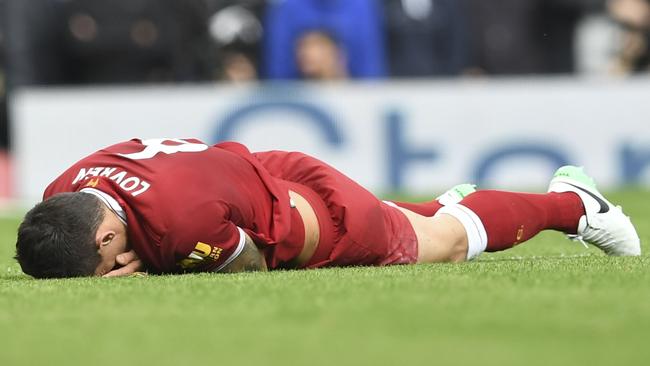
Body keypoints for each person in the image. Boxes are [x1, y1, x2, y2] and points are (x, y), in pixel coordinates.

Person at [15, 138, 641, 279]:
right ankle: (455, 202)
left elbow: (251, 265)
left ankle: (572, 204)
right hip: (260, 174)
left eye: (107, 268)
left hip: (308, 216)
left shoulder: (182, 227)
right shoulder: (62, 191)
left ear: (102, 240)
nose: (118, 268)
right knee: (420, 218)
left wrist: (151, 272)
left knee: (441, 242)